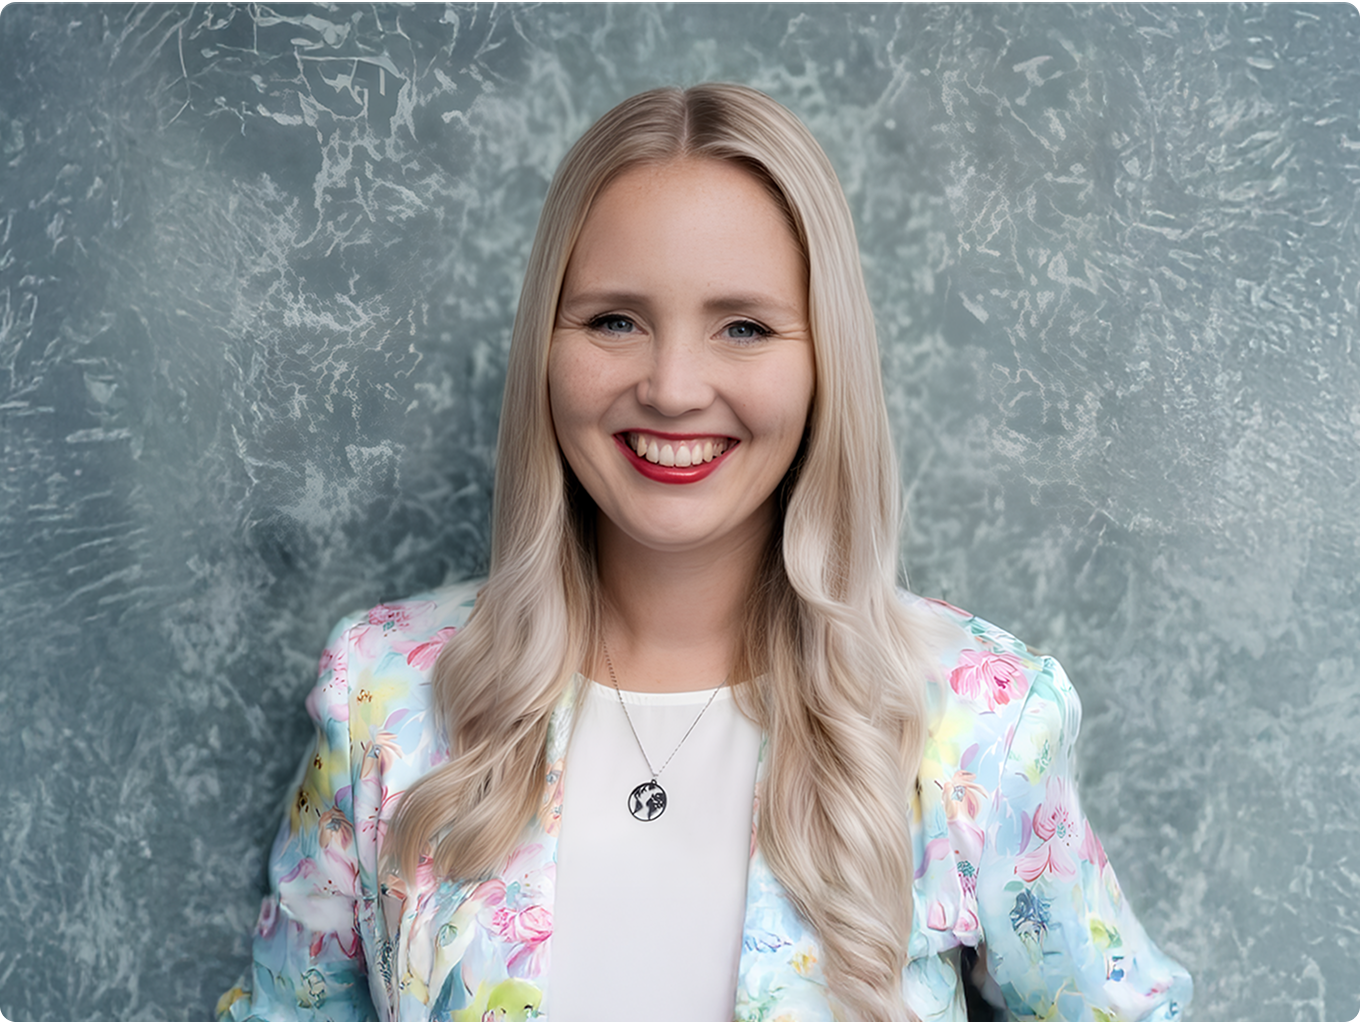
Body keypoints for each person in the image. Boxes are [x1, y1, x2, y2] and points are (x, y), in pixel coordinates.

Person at [217, 84, 1192, 1022]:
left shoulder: (975, 722)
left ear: (823, 360)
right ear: (544, 347)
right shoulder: (384, 695)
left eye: (743, 326)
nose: (674, 387)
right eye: (613, 319)